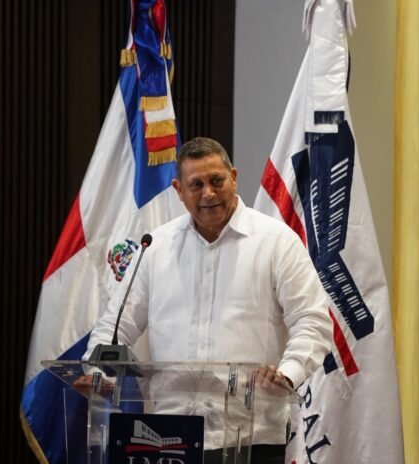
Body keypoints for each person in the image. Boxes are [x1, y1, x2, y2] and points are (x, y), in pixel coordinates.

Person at [81, 137, 333, 463]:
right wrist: (99, 374)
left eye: (217, 181)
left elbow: (312, 320)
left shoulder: (277, 242)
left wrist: (287, 374)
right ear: (179, 190)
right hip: (168, 438)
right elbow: (114, 327)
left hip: (251, 436)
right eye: (196, 184)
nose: (209, 193)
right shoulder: (155, 248)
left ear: (234, 178)